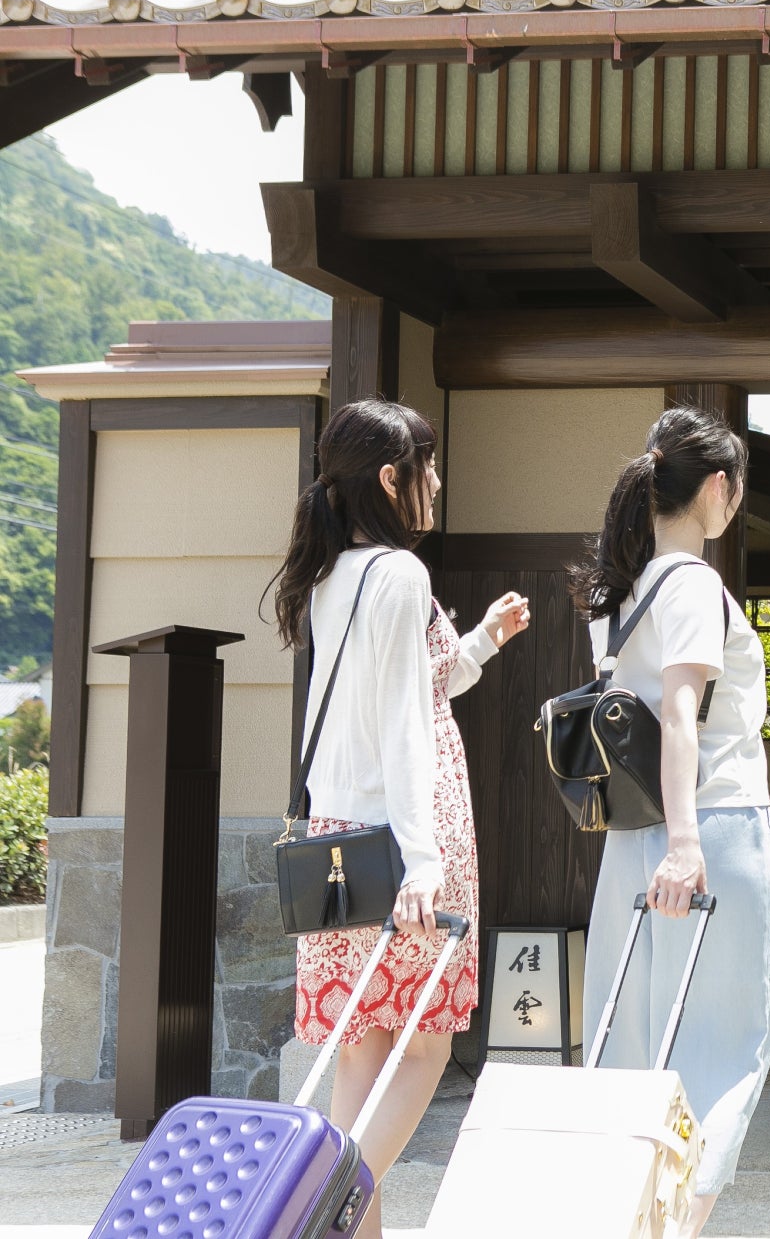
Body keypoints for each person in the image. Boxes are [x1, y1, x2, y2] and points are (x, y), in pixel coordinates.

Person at [268, 398, 530, 1239]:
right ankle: (327, 1206)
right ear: (392, 478)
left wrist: (481, 640)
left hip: (336, 834)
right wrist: (425, 863)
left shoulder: (328, 575)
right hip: (414, 833)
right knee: (424, 1044)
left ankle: (347, 1224)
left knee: (362, 1044)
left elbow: (412, 687)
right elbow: (409, 727)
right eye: (428, 464)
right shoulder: (403, 575)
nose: (439, 481)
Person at [572, 405, 770, 1239]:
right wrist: (690, 846)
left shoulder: (617, 593)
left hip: (632, 842)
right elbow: (683, 714)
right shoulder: (693, 582)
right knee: (718, 1053)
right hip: (711, 832)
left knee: (634, 1050)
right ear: (719, 489)